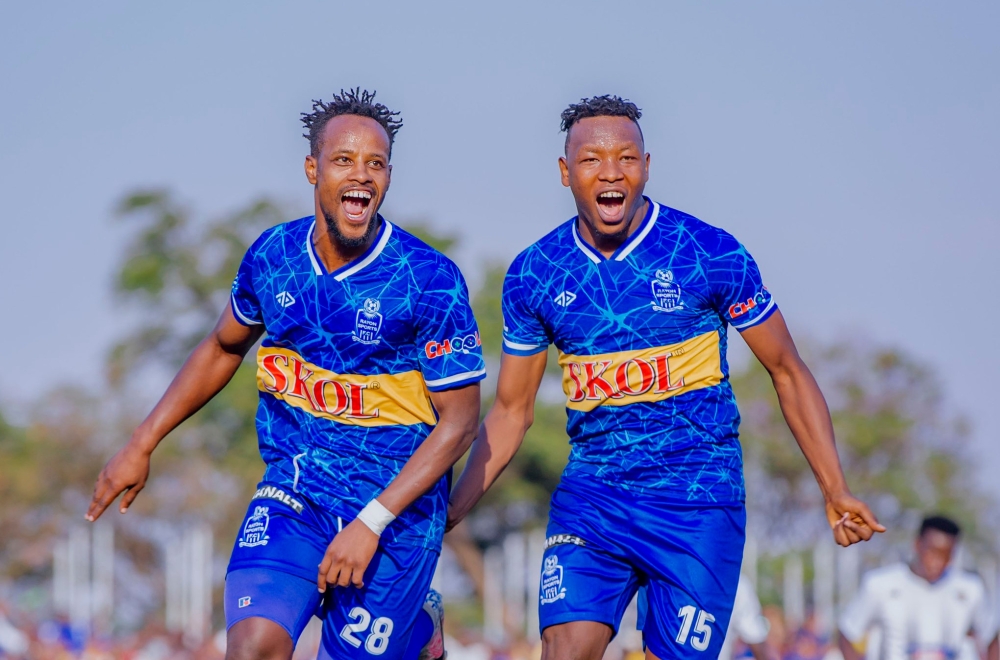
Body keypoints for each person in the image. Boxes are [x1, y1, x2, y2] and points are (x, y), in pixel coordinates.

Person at [445, 95, 884, 660]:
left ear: (646, 166)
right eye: (591, 160)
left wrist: (834, 487)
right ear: (564, 172)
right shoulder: (535, 274)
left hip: (698, 505)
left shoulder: (708, 253)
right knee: (565, 647)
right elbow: (510, 412)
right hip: (594, 499)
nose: (610, 172)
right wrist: (451, 510)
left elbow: (787, 370)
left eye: (625, 158)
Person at [86, 89, 484, 660]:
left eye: (375, 164)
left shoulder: (427, 278)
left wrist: (370, 523)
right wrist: (141, 441)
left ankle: (419, 627)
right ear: (312, 169)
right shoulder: (273, 256)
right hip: (296, 490)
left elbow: (461, 424)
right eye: (344, 160)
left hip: (395, 515)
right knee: (252, 649)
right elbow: (224, 347)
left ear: (389, 177)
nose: (361, 176)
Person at [838, 515, 999, 660]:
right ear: (917, 545)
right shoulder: (880, 584)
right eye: (933, 552)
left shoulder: (970, 589)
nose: (937, 561)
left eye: (945, 554)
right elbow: (848, 632)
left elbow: (992, 637)